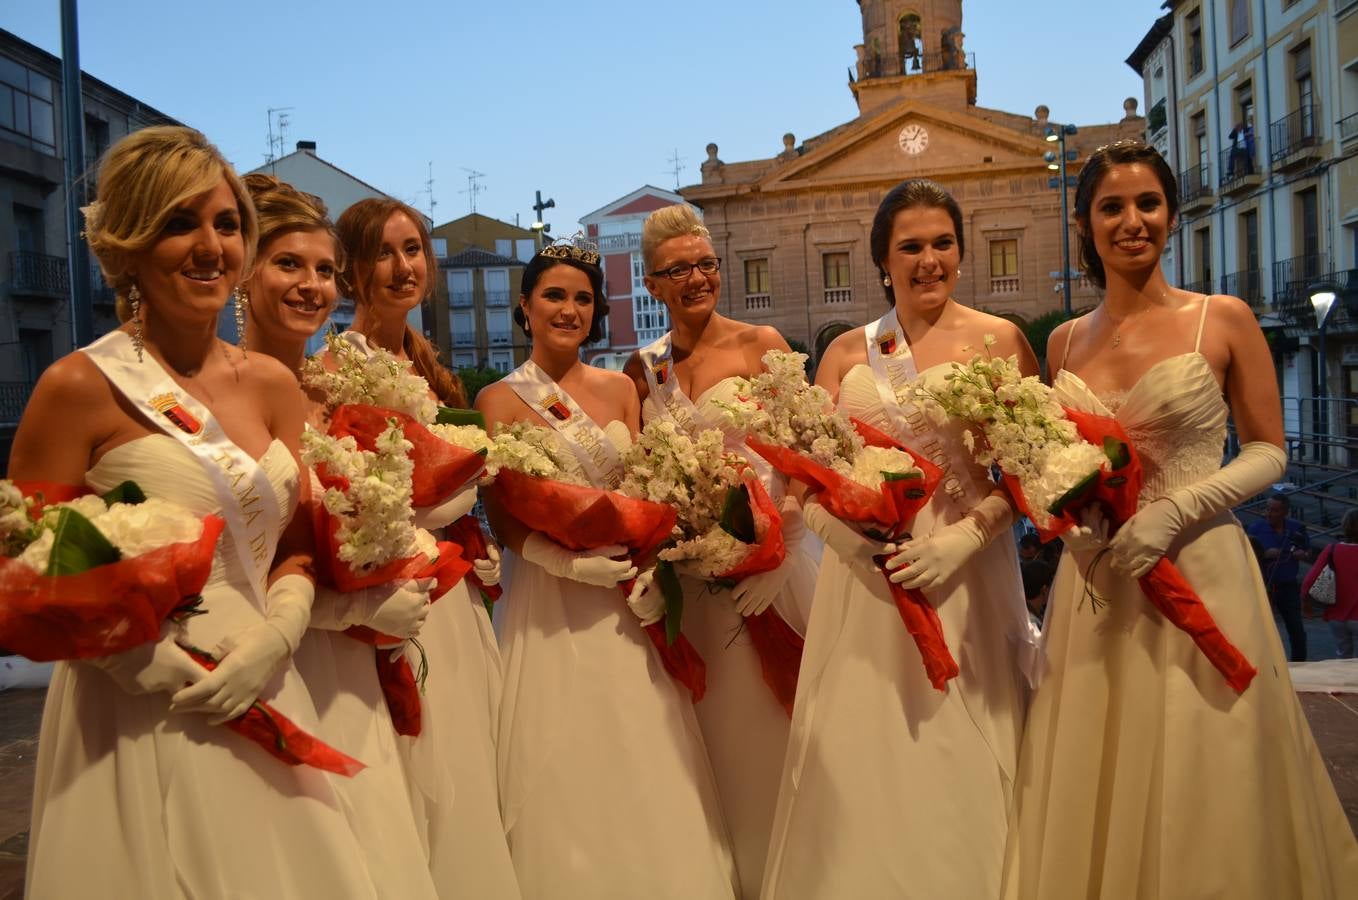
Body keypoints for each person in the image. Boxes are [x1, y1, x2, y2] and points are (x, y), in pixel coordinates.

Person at [12, 126, 381, 898]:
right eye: (180, 223)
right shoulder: (79, 386)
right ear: (129, 244)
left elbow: (298, 541)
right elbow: (20, 565)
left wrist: (279, 630)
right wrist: (134, 660)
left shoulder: (272, 385)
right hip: (142, 701)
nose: (211, 246)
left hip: (269, 672)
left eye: (227, 224)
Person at [1003, 140, 1358, 898]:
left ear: (1170, 213)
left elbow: (1269, 450)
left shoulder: (1220, 319)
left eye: (1148, 204)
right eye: (1111, 207)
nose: (1133, 221)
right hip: (1098, 582)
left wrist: (1174, 513)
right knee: (1099, 763)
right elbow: (1046, 459)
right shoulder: (1064, 340)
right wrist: (1062, 516)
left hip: (1202, 563)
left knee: (1209, 756)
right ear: (1085, 223)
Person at [761, 178, 1037, 899]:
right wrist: (843, 544)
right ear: (882, 260)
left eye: (942, 243)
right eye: (909, 246)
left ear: (962, 250)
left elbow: (1033, 472)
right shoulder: (847, 354)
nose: (928, 260)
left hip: (966, 574)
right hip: (868, 582)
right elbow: (803, 479)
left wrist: (969, 537)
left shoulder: (999, 339)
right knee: (872, 748)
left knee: (959, 742)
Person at [477, 239, 737, 899]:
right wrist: (557, 560)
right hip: (549, 601)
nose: (569, 310)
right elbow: (504, 516)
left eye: (583, 299)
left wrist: (653, 571)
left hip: (625, 596)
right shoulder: (498, 402)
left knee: (642, 749)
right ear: (526, 307)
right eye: (554, 296)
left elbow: (651, 490)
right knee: (563, 757)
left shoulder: (623, 389)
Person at [241, 174, 439, 899]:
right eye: (289, 264)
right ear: (244, 273)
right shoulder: (228, 392)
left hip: (352, 665)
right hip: (280, 655)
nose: (312, 285)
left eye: (324, 269)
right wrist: (346, 609)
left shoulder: (324, 395)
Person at [623, 203, 818, 899]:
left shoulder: (760, 341)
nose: (698, 279)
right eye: (678, 270)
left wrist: (788, 541)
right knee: (711, 742)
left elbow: (804, 447)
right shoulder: (641, 369)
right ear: (652, 284)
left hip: (777, 565)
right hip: (695, 577)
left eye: (705, 264)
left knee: (778, 730)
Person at [332, 197, 520, 899]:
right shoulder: (341, 365)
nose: (402, 266)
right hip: (405, 588)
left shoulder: (419, 358)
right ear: (352, 270)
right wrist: (452, 500)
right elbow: (358, 490)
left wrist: (471, 530)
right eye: (382, 252)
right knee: (426, 757)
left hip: (455, 579)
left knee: (473, 751)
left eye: (413, 249)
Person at [1246, 492, 1312, 661]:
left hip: (1288, 585)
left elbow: (1308, 552)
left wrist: (1302, 554)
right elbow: (1246, 555)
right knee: (1262, 628)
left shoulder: (1296, 529)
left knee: (1296, 628)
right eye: (1267, 509)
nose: (1269, 513)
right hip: (1264, 585)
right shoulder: (1255, 529)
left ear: (1284, 512)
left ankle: (1299, 663)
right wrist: (1264, 554)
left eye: (1274, 510)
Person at [1303, 509, 1358, 659]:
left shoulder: (1332, 549)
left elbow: (1309, 579)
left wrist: (1305, 604)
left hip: (1337, 614)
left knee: (1343, 656)